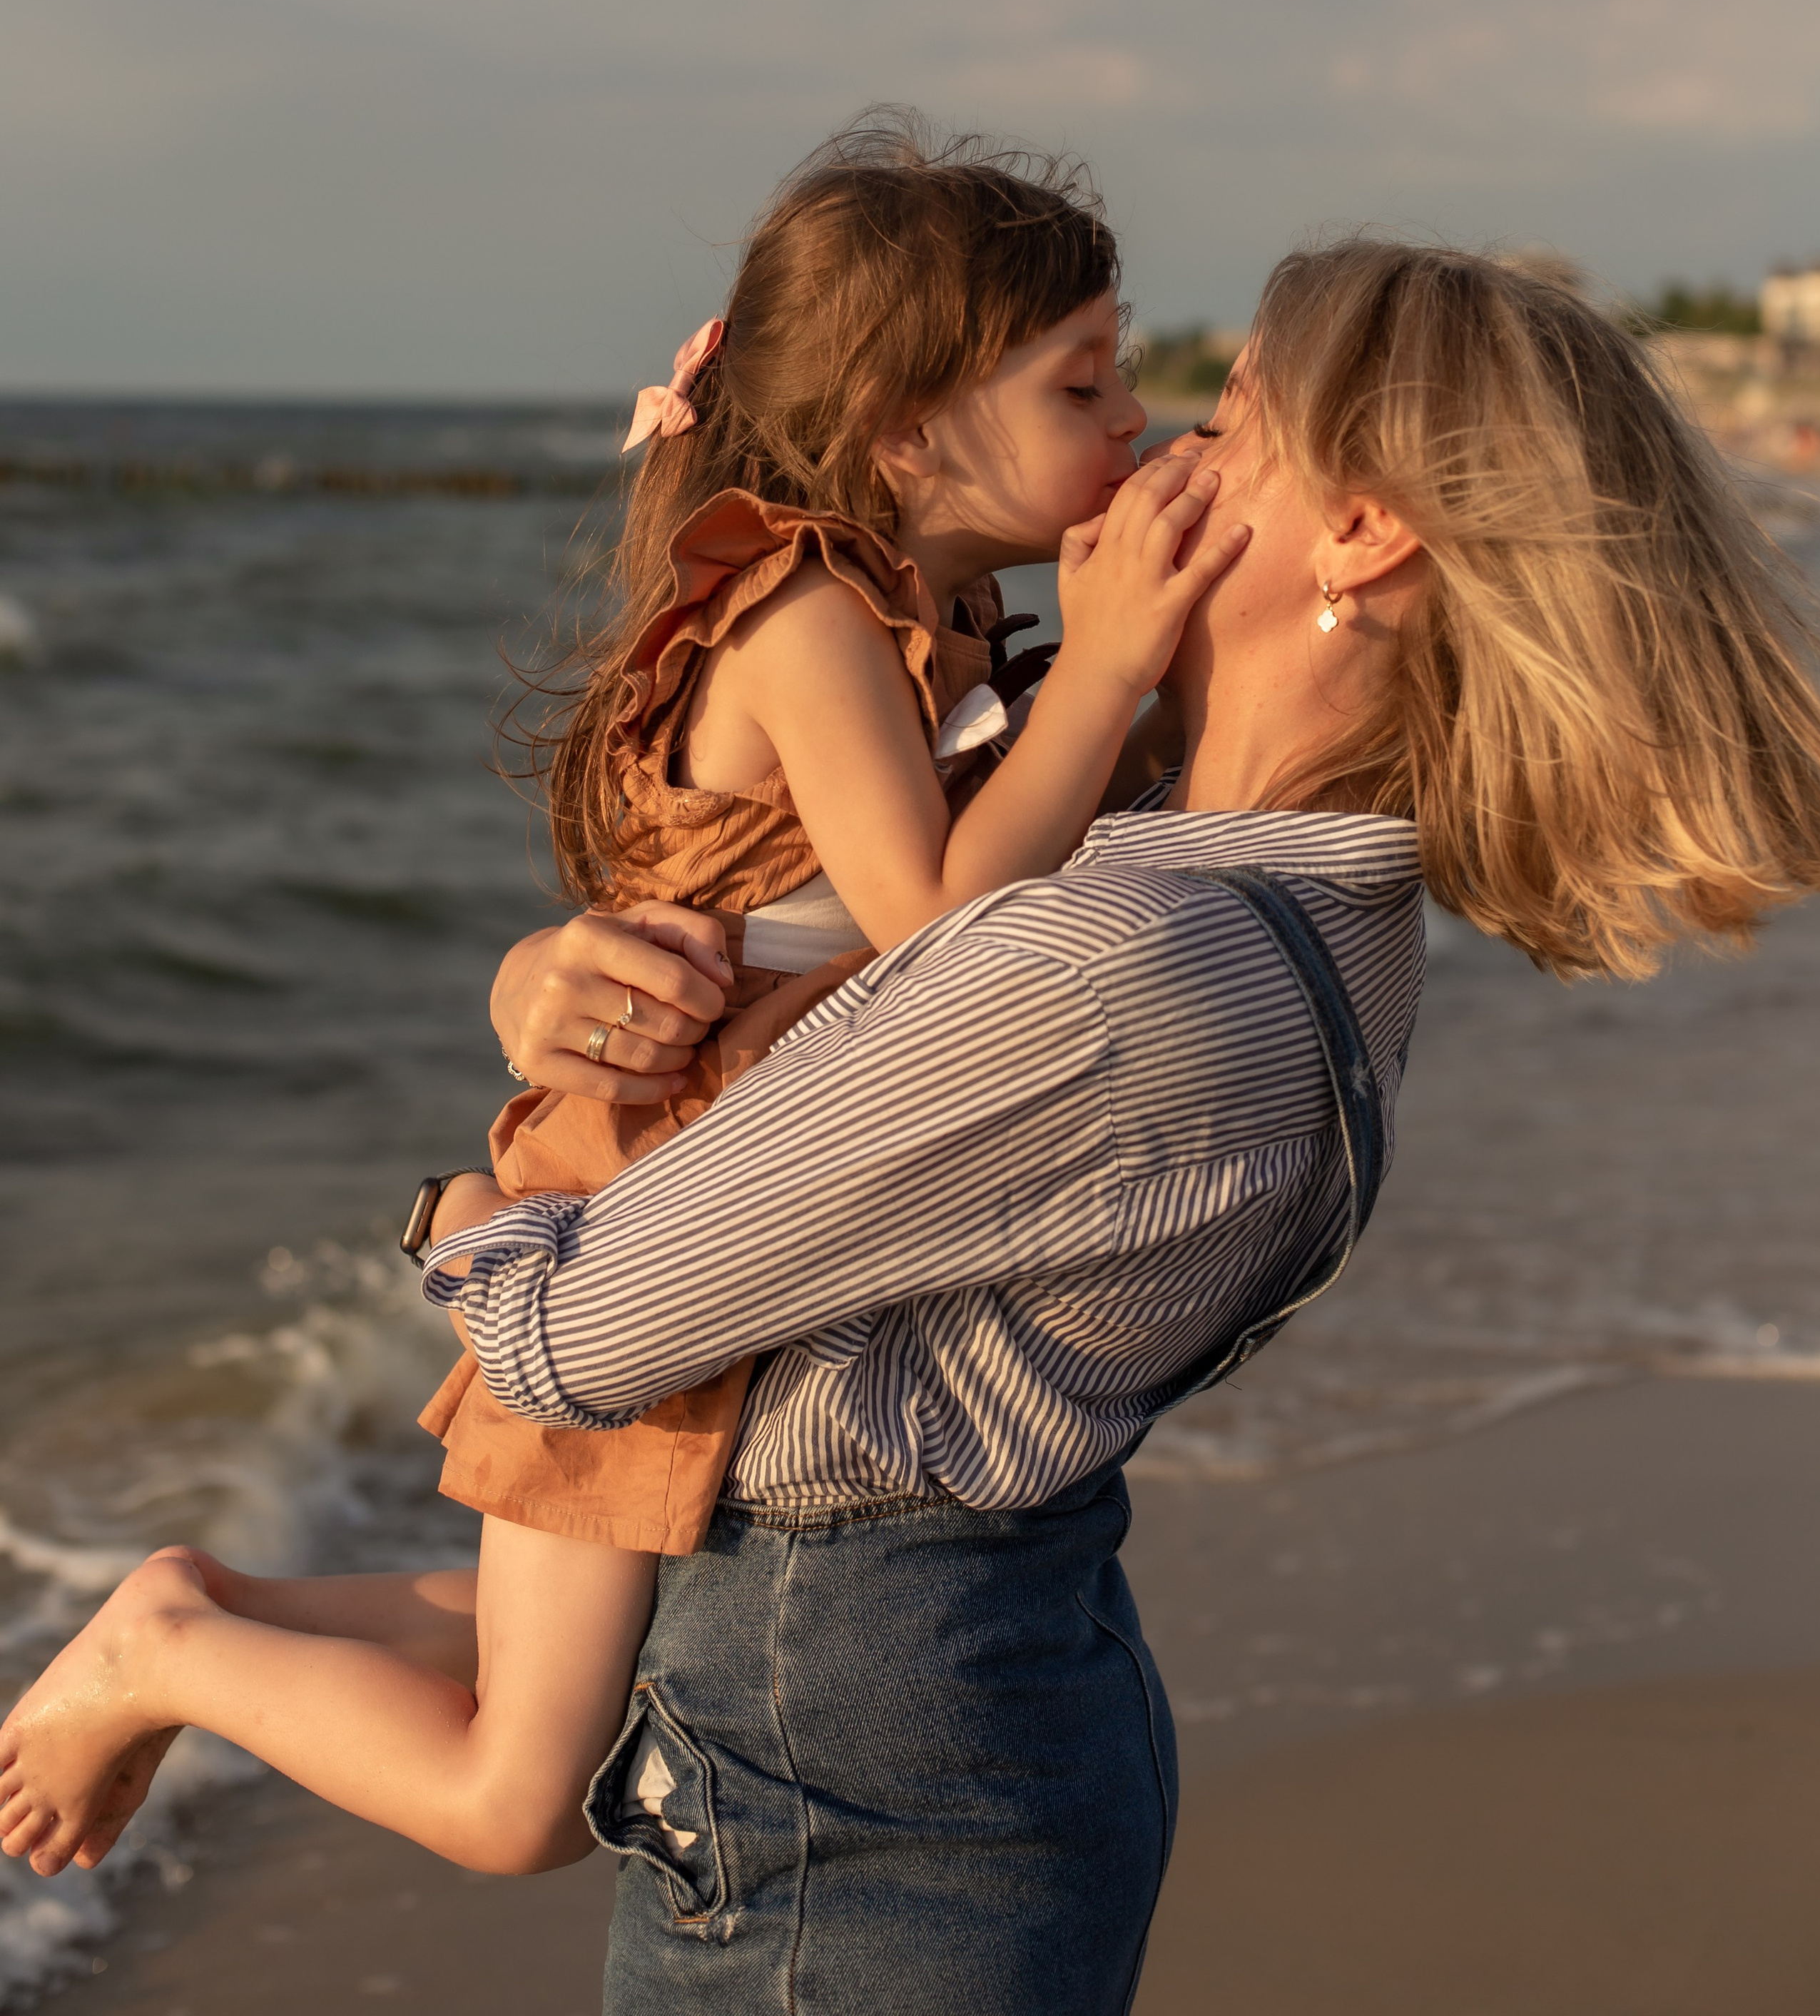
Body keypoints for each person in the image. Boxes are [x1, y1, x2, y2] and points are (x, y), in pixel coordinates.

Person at [13, 233, 1820, 2016]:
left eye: (1235, 421)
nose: (1159, 451)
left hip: (846, 1822)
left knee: (512, 1747)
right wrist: (546, 977)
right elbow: (854, 947)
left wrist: (468, 1204)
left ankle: (176, 1642)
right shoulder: (1303, 907)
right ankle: (181, 1637)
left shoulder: (1115, 957)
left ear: (1359, 535)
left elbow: (577, 1335)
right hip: (968, 1728)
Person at [0, 113, 1243, 1881]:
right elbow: (942, 916)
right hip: (637, 1217)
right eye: (1082, 382)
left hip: (714, 1194)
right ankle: (174, 1651)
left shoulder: (936, 621)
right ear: (906, 431)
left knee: (580, 1631)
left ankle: (211, 1603)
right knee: (519, 1798)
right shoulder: (810, 617)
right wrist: (1110, 675)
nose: (1131, 418)